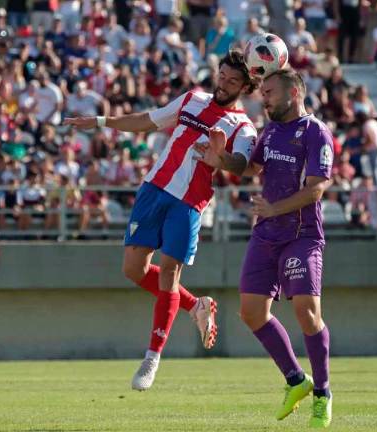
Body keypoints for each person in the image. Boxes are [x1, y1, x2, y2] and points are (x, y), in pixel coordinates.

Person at [64, 51, 258, 391]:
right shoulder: (192, 99)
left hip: (188, 203)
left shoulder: (243, 125)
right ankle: (196, 305)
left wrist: (220, 157)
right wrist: (100, 122)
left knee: (169, 274)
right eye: (222, 76)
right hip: (154, 189)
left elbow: (241, 164)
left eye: (232, 81)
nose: (223, 84)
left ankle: (151, 358)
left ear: (244, 87)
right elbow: (147, 120)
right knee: (133, 270)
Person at [196, 68, 334, 427]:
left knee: (306, 312)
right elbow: (251, 167)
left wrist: (274, 208)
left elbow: (318, 188)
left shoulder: (315, 131)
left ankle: (322, 393)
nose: (264, 97)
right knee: (251, 312)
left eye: (270, 92)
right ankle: (295, 380)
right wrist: (220, 158)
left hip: (301, 234)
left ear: (295, 92)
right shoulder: (271, 130)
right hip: (266, 233)